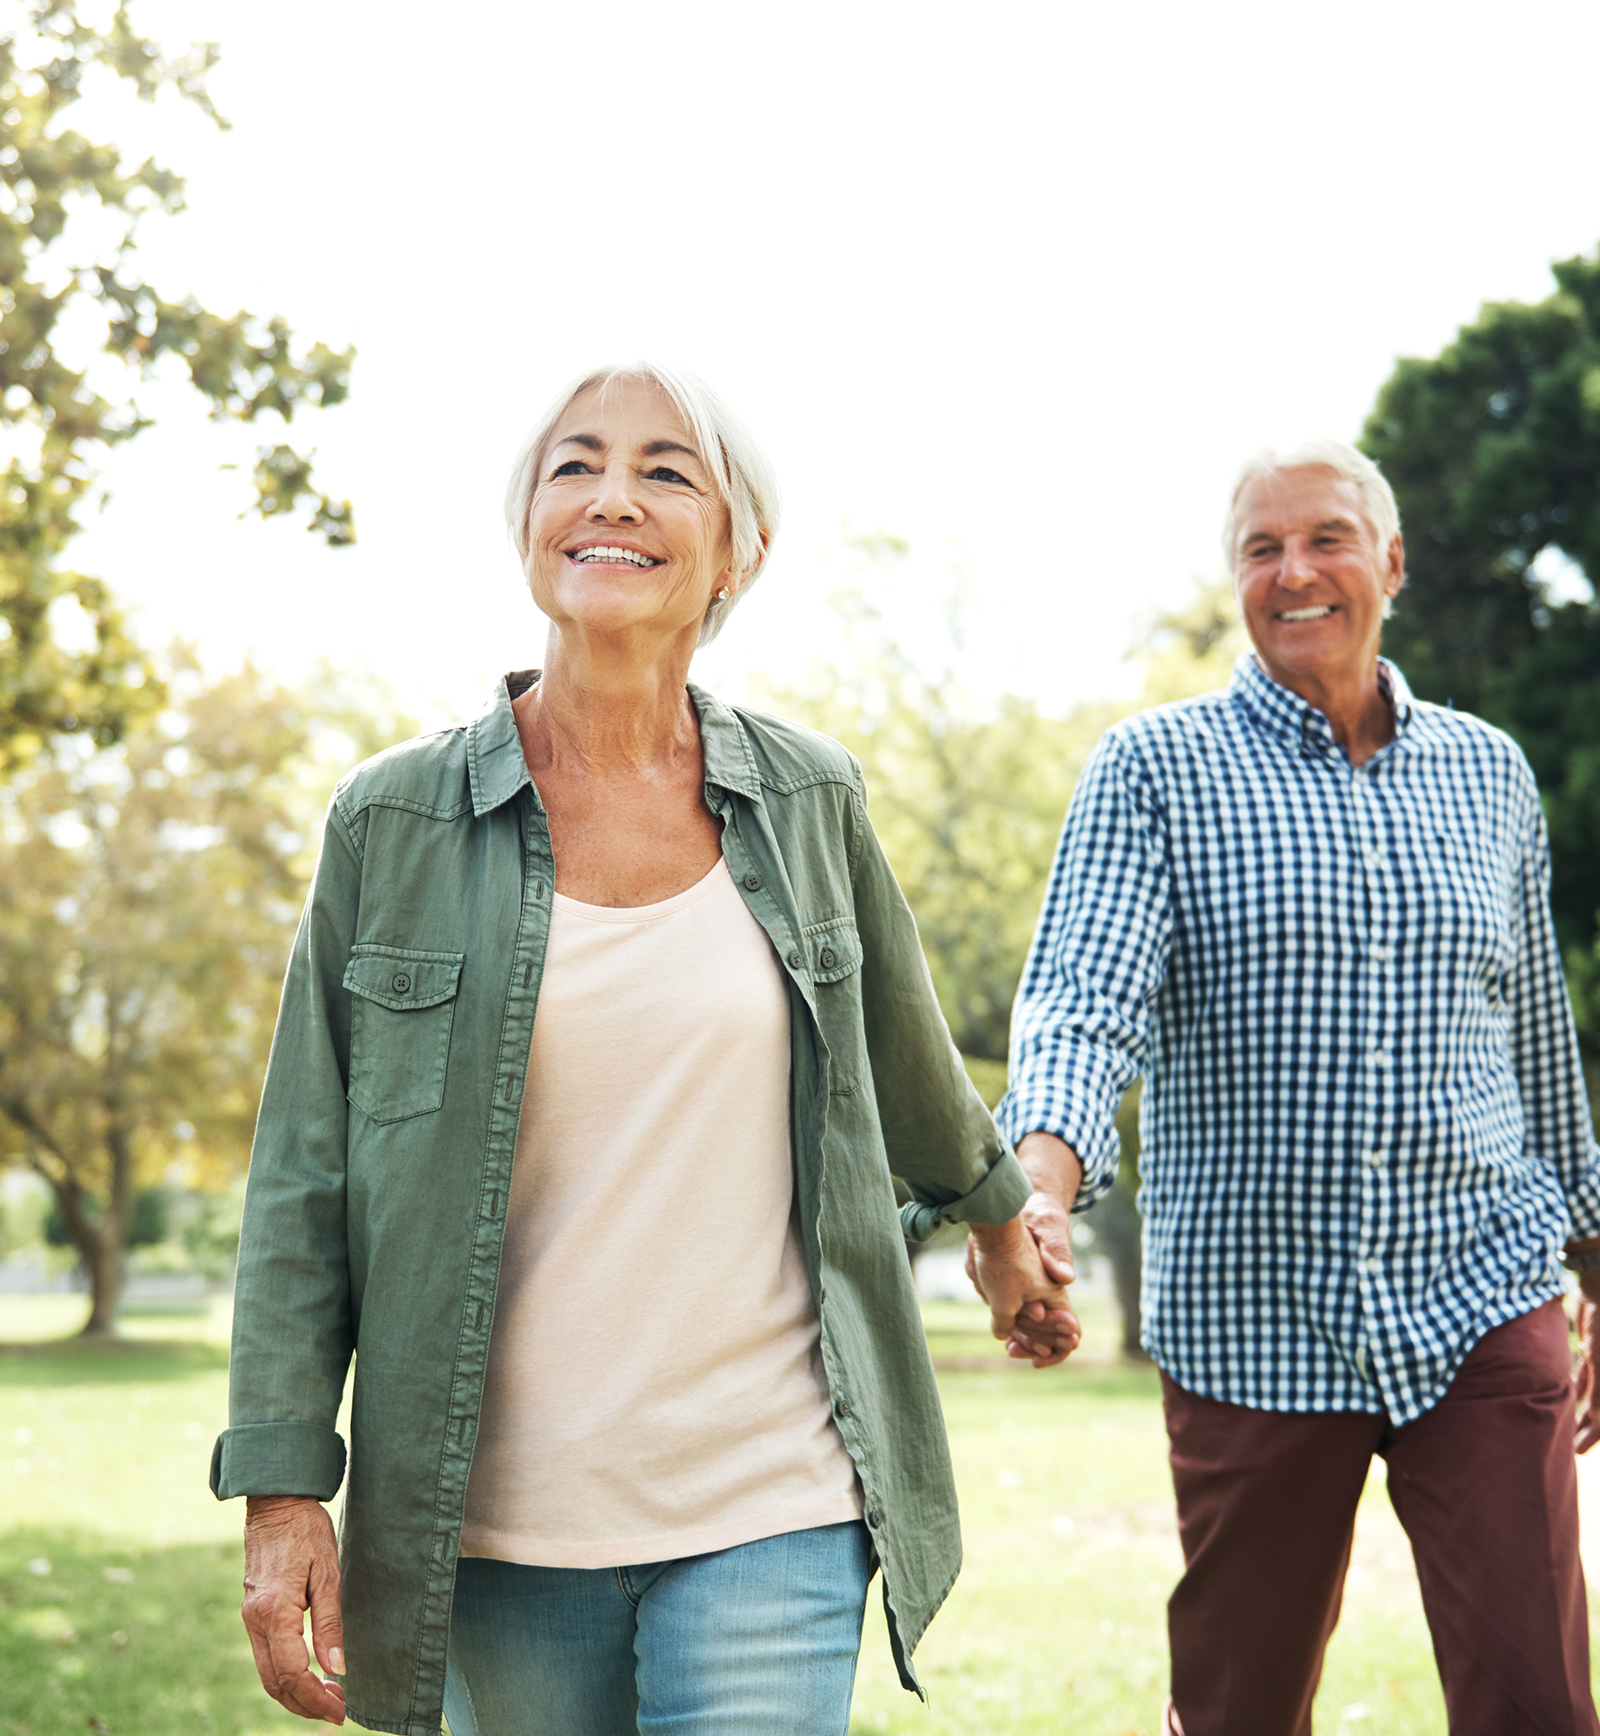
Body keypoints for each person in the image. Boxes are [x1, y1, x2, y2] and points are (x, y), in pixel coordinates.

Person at [211, 361, 1075, 1735]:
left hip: (772, 1496)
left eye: (667, 469)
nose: (613, 495)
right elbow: (304, 1182)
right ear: (529, 526)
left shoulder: (810, 799)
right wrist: (280, 1490)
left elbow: (906, 1060)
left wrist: (998, 1222)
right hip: (490, 1527)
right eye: (577, 464)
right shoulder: (392, 822)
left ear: (740, 549)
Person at [990, 438, 1600, 1736]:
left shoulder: (1488, 774)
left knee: (1541, 1703)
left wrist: (1594, 1254)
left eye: (1325, 538)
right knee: (1240, 1705)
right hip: (1257, 1306)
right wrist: (1036, 1190)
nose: (1294, 571)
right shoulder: (1154, 770)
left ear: (1391, 561)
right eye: (1260, 549)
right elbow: (1083, 1013)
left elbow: (1537, 1042)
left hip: (1483, 1285)